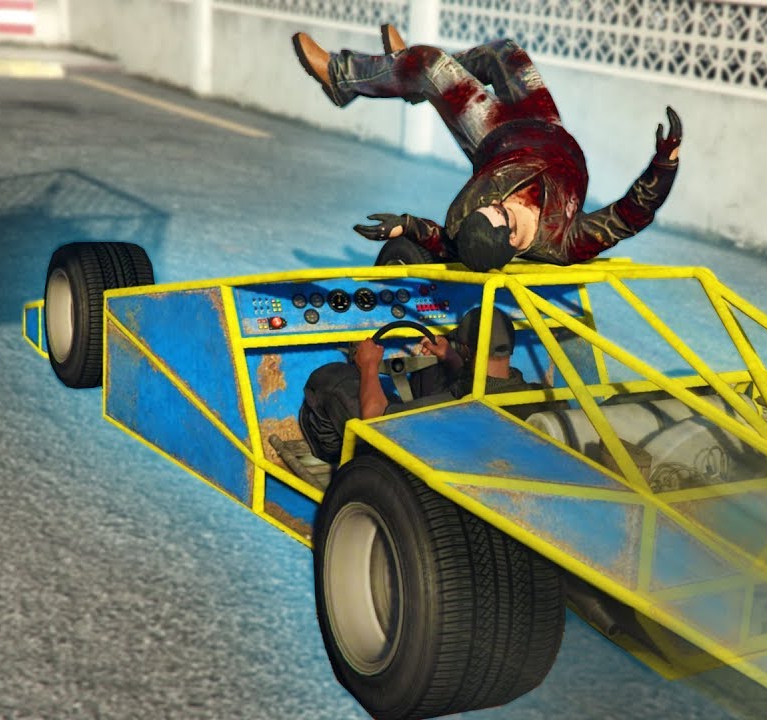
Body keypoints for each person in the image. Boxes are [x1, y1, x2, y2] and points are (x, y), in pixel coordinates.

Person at [292, 25, 683, 271]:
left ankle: (347, 78)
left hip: (494, 137)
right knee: (503, 53)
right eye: (500, 209)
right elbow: (628, 217)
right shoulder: (565, 240)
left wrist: (407, 225)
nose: (496, 200)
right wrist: (664, 164)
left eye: (491, 206)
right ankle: (403, 74)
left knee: (431, 64)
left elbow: (446, 242)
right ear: (512, 237)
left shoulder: (467, 219)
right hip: (545, 125)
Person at [298, 306, 535, 464]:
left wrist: (368, 365)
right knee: (433, 368)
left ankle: (340, 455)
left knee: (328, 378)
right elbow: (483, 382)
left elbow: (375, 422)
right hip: (479, 449)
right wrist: (452, 358)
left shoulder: (453, 407)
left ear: (466, 349)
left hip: (418, 452)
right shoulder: (534, 395)